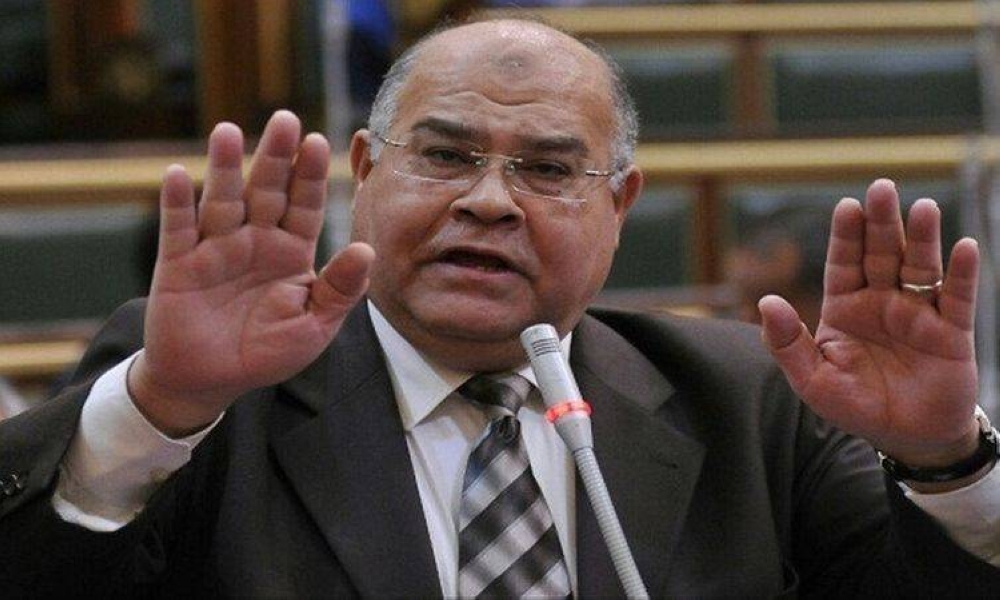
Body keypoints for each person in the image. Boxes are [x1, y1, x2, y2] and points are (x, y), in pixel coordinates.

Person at [1, 16, 999, 598]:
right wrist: (160, 410)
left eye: (547, 170)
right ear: (365, 172)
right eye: (445, 155)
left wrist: (942, 462)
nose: (488, 200)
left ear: (620, 207)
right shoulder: (207, 393)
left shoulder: (747, 403)